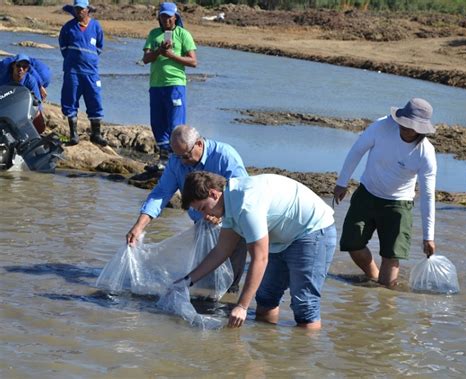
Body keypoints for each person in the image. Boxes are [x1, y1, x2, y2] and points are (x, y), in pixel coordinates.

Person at [177, 172, 336, 329]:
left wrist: (242, 307)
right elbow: (221, 251)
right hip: (281, 237)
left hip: (312, 230)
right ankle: (266, 349)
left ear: (213, 193)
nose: (205, 215)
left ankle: (307, 352)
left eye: (204, 208)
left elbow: (260, 258)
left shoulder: (246, 205)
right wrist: (186, 281)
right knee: (266, 298)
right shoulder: (229, 204)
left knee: (304, 305)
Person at [127, 125, 248, 292]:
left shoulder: (225, 156)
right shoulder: (176, 160)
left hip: (233, 225)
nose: (182, 161)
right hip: (202, 226)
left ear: (199, 143)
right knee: (203, 278)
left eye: (186, 155)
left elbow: (241, 194)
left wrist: (221, 216)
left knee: (229, 282)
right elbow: (161, 193)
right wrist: (139, 225)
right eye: (177, 156)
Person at [333, 98, 437, 287]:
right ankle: (373, 274)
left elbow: (428, 195)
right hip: (367, 192)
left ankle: (385, 302)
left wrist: (428, 237)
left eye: (412, 127)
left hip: (398, 204)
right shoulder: (382, 126)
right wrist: (342, 183)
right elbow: (357, 150)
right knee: (351, 242)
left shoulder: (426, 153)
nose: (405, 129)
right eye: (404, 124)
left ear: (422, 129)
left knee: (391, 258)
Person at [142, 2, 197, 167]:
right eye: (163, 16)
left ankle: (179, 160)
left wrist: (171, 55)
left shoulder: (183, 34)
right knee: (158, 122)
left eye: (169, 16)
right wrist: (159, 51)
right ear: (159, 17)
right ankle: (163, 158)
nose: (166, 19)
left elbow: (193, 61)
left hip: (175, 85)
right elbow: (145, 59)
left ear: (176, 17)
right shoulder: (153, 34)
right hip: (156, 85)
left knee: (175, 124)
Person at [59, 0, 107, 146]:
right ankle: (73, 135)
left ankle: (96, 134)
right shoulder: (68, 28)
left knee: (95, 100)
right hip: (72, 72)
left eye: (81, 9)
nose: (79, 11)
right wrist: (74, 60)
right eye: (76, 9)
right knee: (70, 101)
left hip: (91, 72)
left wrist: (89, 59)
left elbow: (99, 47)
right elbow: (63, 48)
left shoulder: (96, 26)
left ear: (88, 10)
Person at [0, 54, 51, 134]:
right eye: (18, 66)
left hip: (22, 103)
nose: (21, 69)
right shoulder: (4, 77)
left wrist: (38, 114)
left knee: (40, 126)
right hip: (9, 102)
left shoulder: (31, 80)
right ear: (13, 65)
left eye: (24, 67)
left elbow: (38, 103)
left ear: (28, 69)